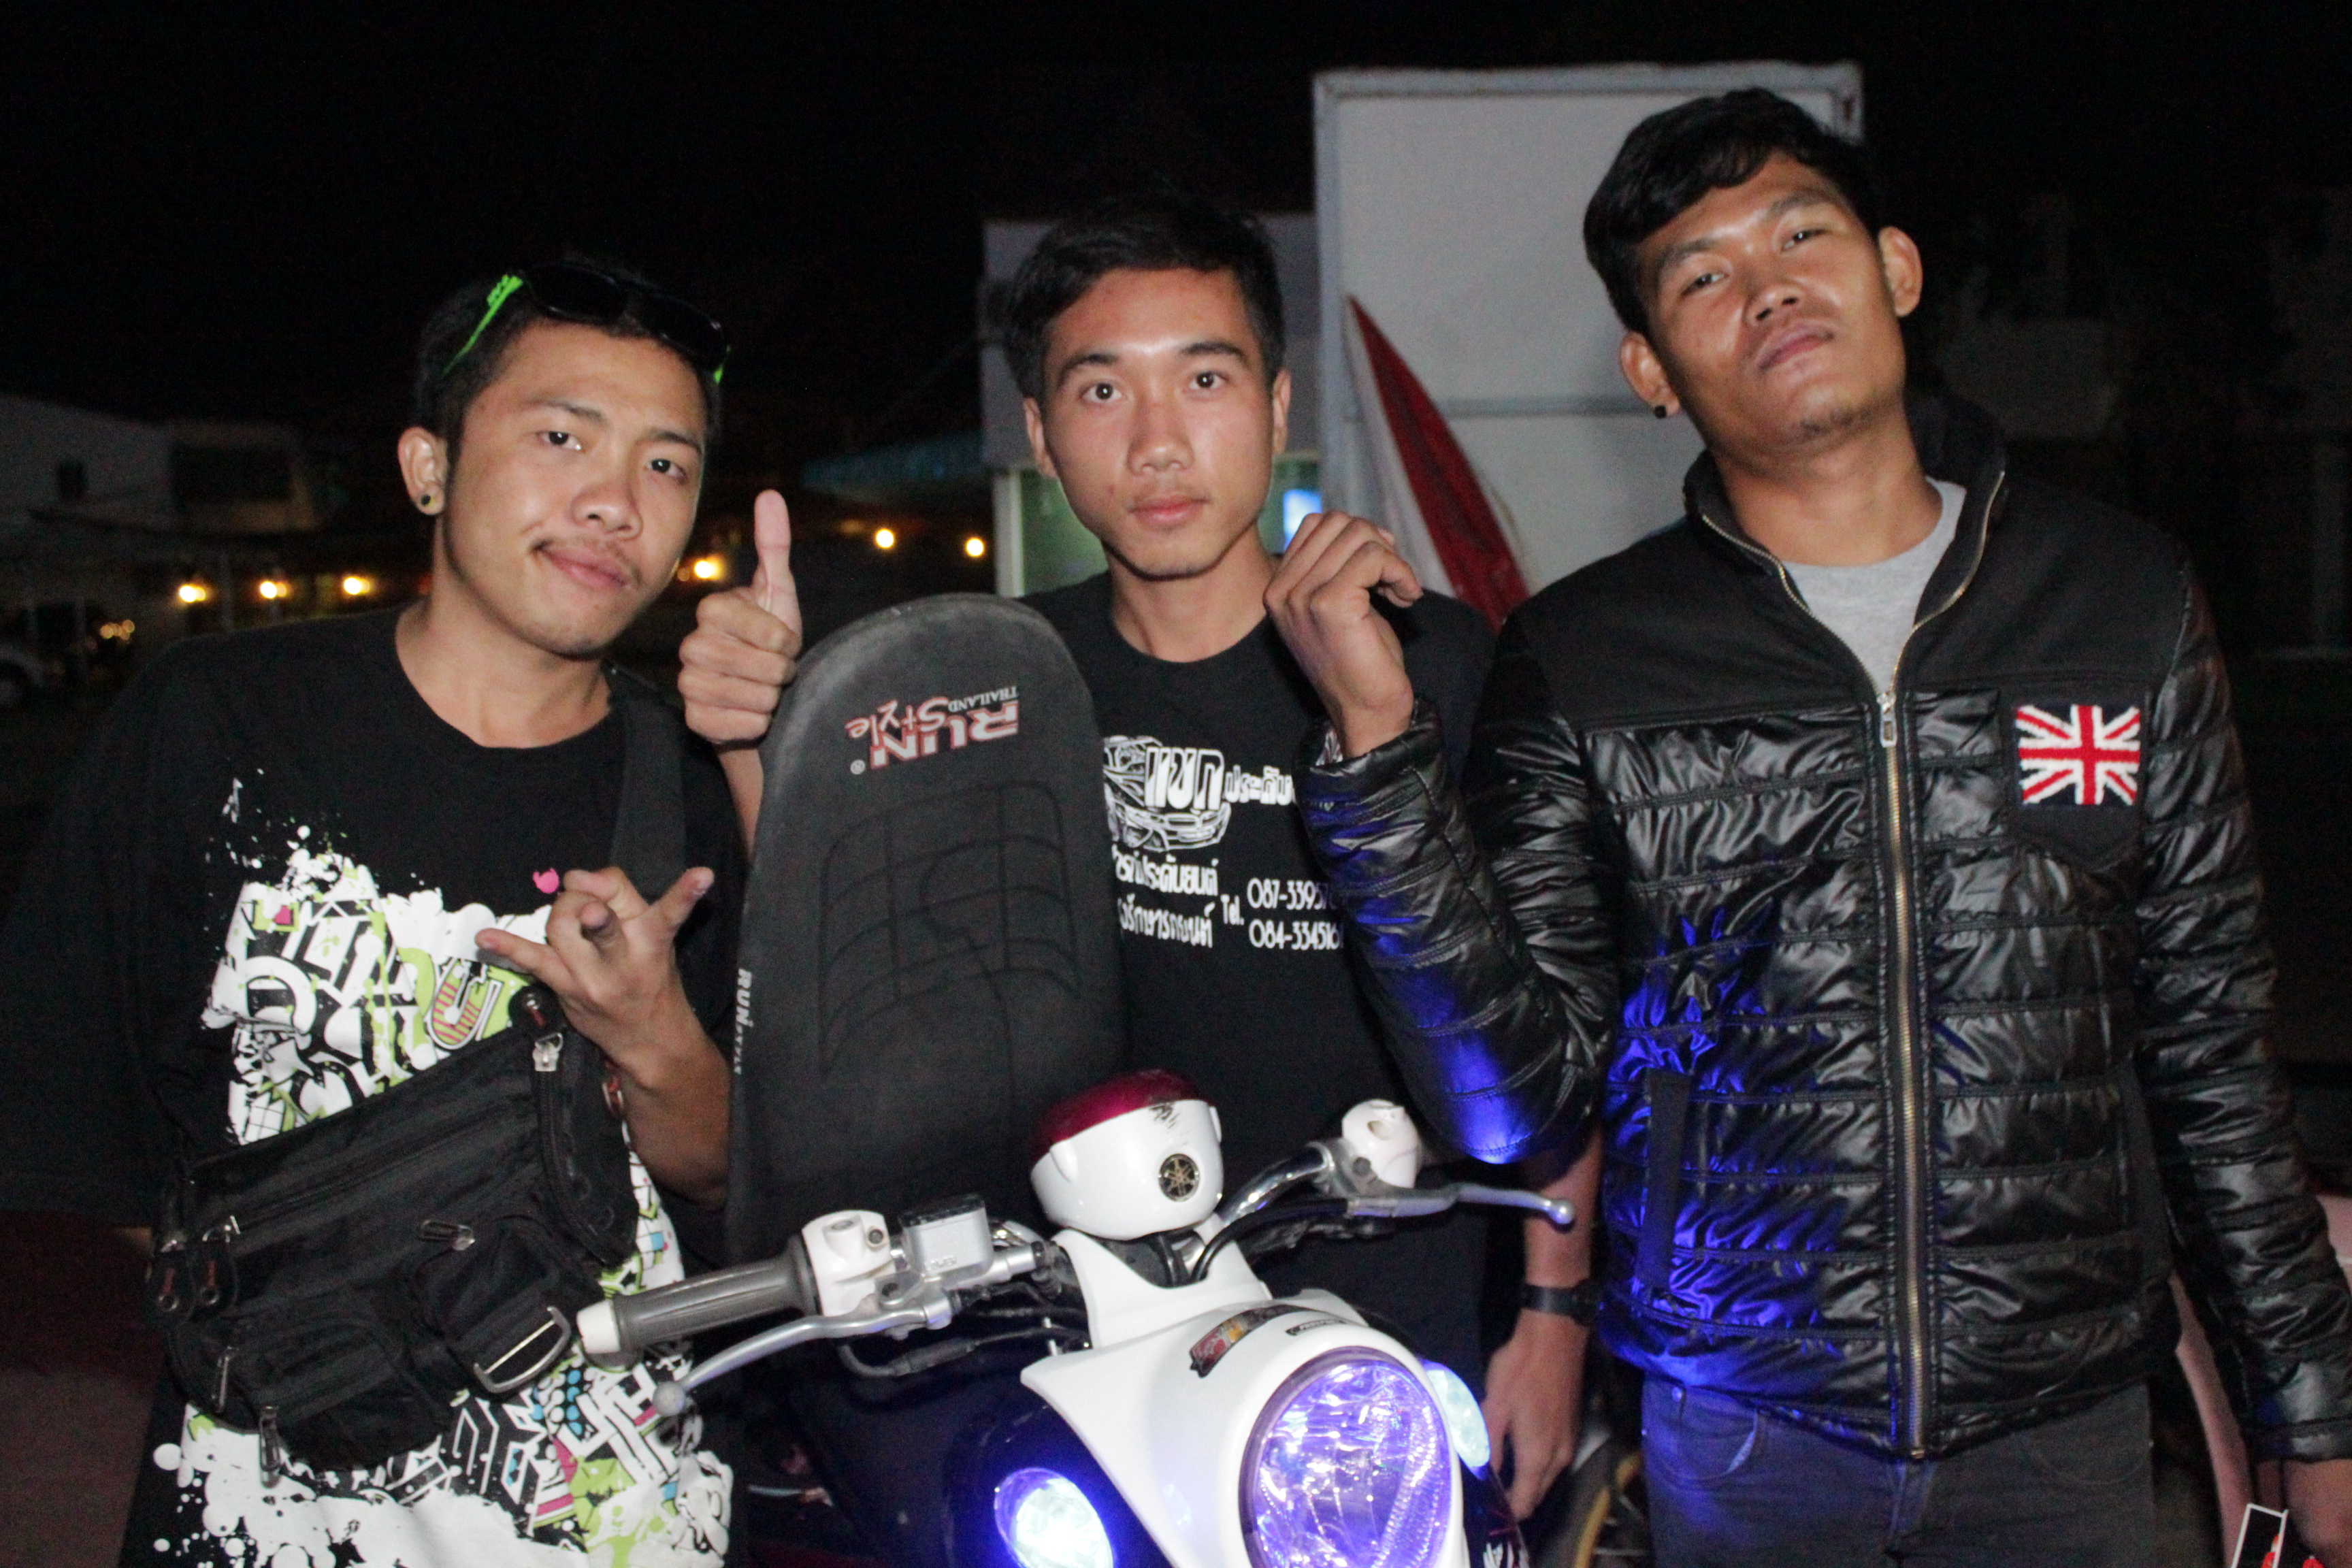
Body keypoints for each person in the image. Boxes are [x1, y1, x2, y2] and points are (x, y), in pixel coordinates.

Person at [1267, 88, 2352, 1567]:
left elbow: (2213, 1047)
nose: (1768, 288)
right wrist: (1377, 749)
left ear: (1895, 270)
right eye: (1702, 276)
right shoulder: (1588, 658)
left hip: (2067, 1432)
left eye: (1801, 236)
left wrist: (2311, 1402)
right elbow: (1513, 1108)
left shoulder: (2117, 602)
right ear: (1651, 371)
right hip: (1746, 1444)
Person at [676, 190, 1574, 1537]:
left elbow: (1545, 1018)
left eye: (1205, 379)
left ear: (1276, 404)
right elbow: (863, 998)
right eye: (1102, 391)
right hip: (1083, 1359)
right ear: (1041, 435)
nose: (1159, 441)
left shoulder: (1427, 659)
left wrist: (1554, 1315)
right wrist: (764, 745)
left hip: (1386, 1336)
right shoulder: (999, 680)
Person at [0, 259, 747, 1566]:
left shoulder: (693, 789)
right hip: (257, 1516)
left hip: (623, 1522)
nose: (614, 501)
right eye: (561, 437)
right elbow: (70, 1126)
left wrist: (652, 1039)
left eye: (666, 464)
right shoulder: (217, 725)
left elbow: (727, 1177)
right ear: (428, 467)